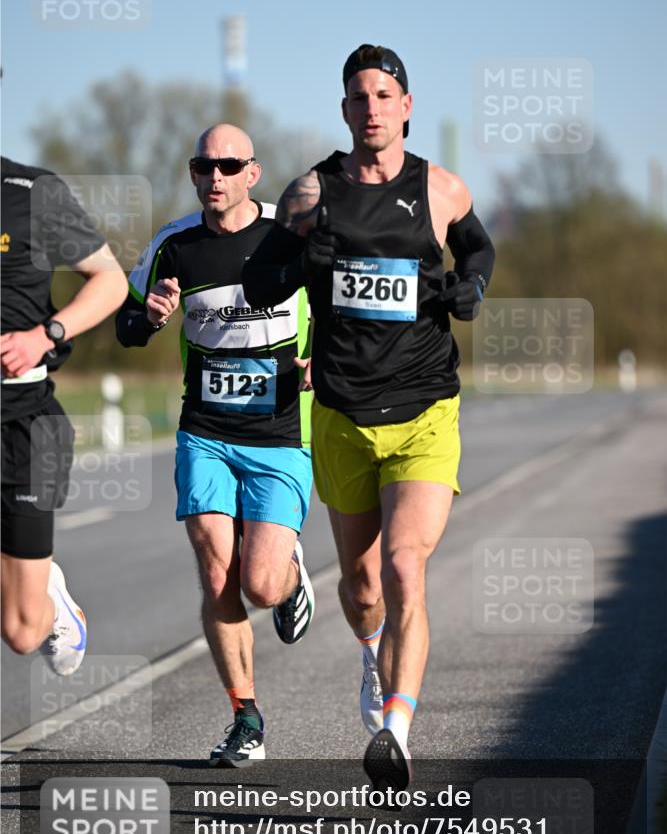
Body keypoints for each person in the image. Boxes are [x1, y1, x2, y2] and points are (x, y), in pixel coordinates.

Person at [242, 45, 495, 789]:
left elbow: (477, 251)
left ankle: (396, 726)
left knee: (403, 565)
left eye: (384, 95)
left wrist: (469, 290)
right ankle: (369, 649)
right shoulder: (308, 193)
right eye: (358, 97)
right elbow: (260, 284)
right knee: (361, 588)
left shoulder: (442, 189)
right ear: (344, 109)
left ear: (406, 105)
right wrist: (301, 263)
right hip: (343, 413)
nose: (371, 108)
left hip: (423, 408)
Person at [116, 124, 314, 767]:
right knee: (214, 566)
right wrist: (147, 316)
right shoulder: (174, 244)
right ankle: (245, 716)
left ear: (252, 173)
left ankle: (288, 579)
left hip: (281, 431)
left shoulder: (288, 240)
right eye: (205, 166)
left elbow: (342, 311)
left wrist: (328, 361)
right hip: (205, 429)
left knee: (258, 584)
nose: (216, 177)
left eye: (229, 165)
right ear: (194, 173)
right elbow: (123, 324)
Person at [1, 156, 128, 675]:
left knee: (21, 631)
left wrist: (43, 336)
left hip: (24, 424)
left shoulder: (32, 191)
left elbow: (111, 280)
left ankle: (50, 599)